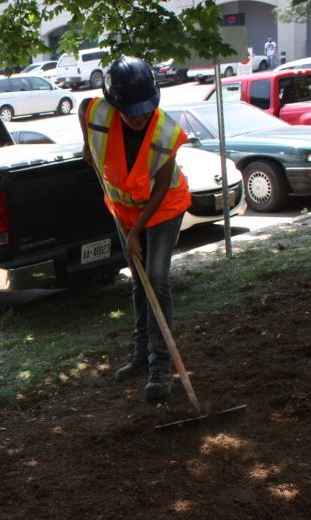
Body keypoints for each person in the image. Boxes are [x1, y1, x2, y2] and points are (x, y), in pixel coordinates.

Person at [78, 55, 191, 402]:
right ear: (116, 104)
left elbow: (161, 188)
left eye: (144, 110)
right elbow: (82, 109)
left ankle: (161, 367)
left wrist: (135, 233)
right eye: (131, 112)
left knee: (155, 278)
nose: (139, 117)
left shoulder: (165, 132)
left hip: (163, 208)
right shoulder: (99, 113)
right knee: (139, 281)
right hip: (124, 210)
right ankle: (141, 355)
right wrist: (86, 145)